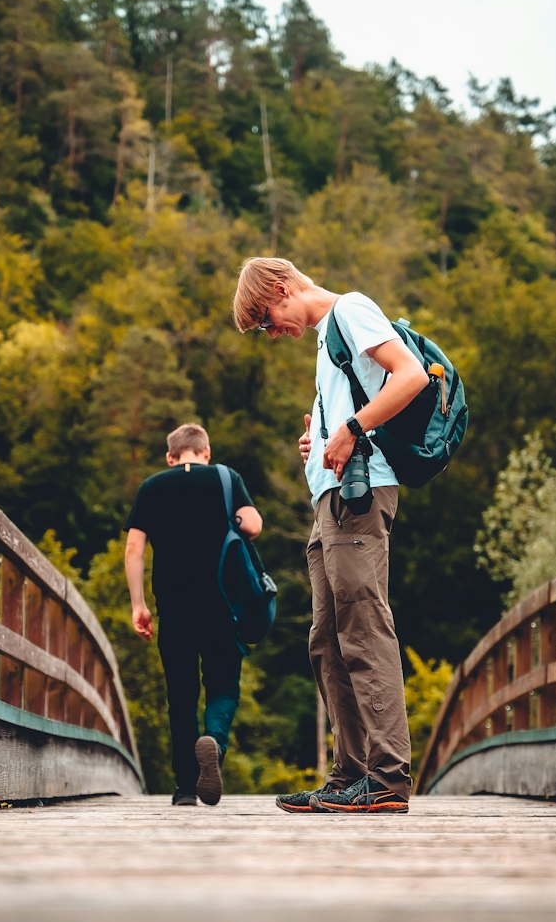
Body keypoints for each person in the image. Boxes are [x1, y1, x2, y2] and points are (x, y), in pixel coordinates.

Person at [233, 258, 427, 816]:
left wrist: (349, 429)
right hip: (330, 503)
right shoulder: (327, 340)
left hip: (359, 501)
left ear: (282, 287)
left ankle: (387, 777)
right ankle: (350, 775)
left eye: (267, 320)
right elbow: (351, 406)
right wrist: (318, 435)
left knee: (364, 630)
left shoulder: (352, 308)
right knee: (326, 640)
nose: (272, 334)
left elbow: (410, 376)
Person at [124, 422, 263, 807]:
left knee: (181, 695)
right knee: (223, 686)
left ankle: (185, 787)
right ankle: (214, 743)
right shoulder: (225, 478)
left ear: (170, 457)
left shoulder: (152, 487)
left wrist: (139, 604)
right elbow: (252, 524)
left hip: (174, 606)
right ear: (206, 452)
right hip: (222, 604)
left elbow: (134, 549)